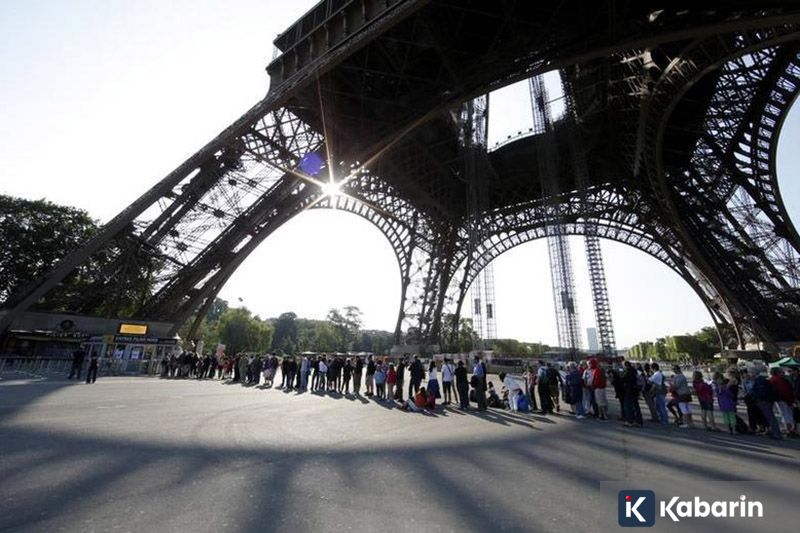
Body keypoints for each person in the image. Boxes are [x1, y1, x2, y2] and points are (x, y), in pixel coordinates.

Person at [769, 367, 797, 436]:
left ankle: (788, 428)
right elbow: (785, 391)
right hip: (783, 399)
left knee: (784, 414)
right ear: (777, 372)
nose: (783, 373)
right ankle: (789, 429)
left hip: (780, 399)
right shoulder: (779, 380)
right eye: (781, 372)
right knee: (786, 414)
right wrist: (790, 400)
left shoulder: (773, 379)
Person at [621, 361, 643, 427]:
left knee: (628, 406)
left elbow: (624, 379)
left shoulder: (627, 371)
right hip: (635, 390)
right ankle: (638, 421)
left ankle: (630, 421)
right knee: (635, 406)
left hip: (629, 390)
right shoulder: (635, 371)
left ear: (625, 365)